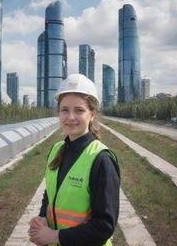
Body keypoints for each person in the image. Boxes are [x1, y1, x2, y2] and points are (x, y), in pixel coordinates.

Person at [28, 73, 120, 246]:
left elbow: (104, 226)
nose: (70, 117)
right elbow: (51, 193)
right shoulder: (57, 149)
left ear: (92, 114)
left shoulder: (101, 159)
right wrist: (42, 220)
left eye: (79, 110)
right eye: (65, 110)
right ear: (58, 113)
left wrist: (54, 236)